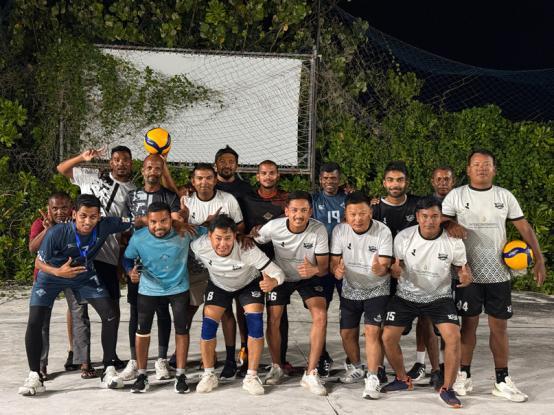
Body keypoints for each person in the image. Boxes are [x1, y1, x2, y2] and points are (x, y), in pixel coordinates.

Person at [442, 149, 546, 402]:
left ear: (494, 169)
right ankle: (464, 375)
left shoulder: (504, 196)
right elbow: (440, 220)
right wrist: (450, 223)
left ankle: (502, 380)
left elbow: (524, 227)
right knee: (468, 326)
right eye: (476, 164)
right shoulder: (457, 195)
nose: (482, 168)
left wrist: (539, 258)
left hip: (498, 273)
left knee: (499, 328)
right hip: (467, 273)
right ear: (468, 169)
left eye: (486, 164)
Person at [19, 194, 133, 396]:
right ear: (74, 215)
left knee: (110, 315)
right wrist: (58, 272)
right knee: (35, 321)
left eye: (93, 216)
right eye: (83, 216)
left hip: (83, 276)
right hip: (51, 276)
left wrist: (174, 219)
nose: (88, 221)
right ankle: (34, 376)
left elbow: (137, 220)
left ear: (99, 216)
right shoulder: (56, 232)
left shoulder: (105, 225)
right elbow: (38, 263)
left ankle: (108, 370)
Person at [381, 196, 472, 408]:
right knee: (387, 337)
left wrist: (465, 275)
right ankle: (402, 379)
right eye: (424, 216)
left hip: (439, 297)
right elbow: (396, 266)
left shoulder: (453, 241)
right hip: (406, 296)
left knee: (453, 337)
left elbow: (462, 267)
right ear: (417, 217)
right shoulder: (404, 237)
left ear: (441, 218)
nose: (429, 221)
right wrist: (394, 271)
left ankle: (447, 388)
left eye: (434, 216)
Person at [57, 145, 136, 368]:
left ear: (131, 163)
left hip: (107, 254)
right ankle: (76, 354)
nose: (121, 163)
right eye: (117, 159)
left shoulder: (133, 191)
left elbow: (126, 229)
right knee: (77, 307)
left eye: (125, 160)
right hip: (79, 253)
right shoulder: (92, 176)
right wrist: (82, 157)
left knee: (112, 306)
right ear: (110, 162)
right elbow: (62, 169)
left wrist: (121, 261)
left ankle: (110, 355)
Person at [193, 214, 285, 395]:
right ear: (209, 236)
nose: (223, 244)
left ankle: (251, 376)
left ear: (235, 236)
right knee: (208, 325)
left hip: (247, 284)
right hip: (219, 285)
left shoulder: (247, 249)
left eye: (228, 238)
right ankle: (209, 374)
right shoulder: (199, 246)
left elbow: (278, 273)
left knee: (256, 323)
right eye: (218, 238)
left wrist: (273, 282)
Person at [253, 191, 330, 396]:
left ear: (310, 212)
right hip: (280, 277)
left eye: (304, 210)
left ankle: (311, 373)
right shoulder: (273, 226)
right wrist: (265, 271)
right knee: (273, 318)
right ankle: (277, 366)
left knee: (321, 316)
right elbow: (252, 244)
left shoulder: (318, 229)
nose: (299, 215)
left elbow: (324, 267)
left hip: (308, 276)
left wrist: (314, 270)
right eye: (294, 210)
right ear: (286, 211)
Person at [118, 154, 184, 382]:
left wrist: (146, 221)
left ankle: (162, 359)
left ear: (162, 171)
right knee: (136, 313)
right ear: (143, 170)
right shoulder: (132, 196)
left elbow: (176, 223)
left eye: (158, 168)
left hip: (164, 263)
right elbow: (125, 225)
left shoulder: (169, 196)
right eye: (149, 167)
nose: (153, 172)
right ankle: (135, 361)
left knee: (163, 311)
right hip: (139, 262)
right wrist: (128, 268)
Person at [122, 202, 196, 393]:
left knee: (182, 329)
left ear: (171, 219)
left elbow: (211, 233)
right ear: (147, 221)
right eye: (153, 222)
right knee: (142, 330)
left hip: (178, 287)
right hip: (149, 289)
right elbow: (127, 257)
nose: (158, 226)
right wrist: (130, 271)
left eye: (163, 221)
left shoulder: (184, 232)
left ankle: (180, 375)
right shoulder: (139, 238)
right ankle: (142, 375)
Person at [181, 163, 245, 378]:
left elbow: (240, 228)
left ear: (215, 179)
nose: (204, 182)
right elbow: (181, 229)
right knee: (189, 308)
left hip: (222, 264)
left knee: (225, 311)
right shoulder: (186, 201)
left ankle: (230, 358)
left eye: (208, 178)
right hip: (196, 264)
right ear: (193, 181)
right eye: (199, 178)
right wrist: (200, 223)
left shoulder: (228, 200)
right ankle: (183, 354)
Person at [330, 191, 393, 399]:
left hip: (377, 288)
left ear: (370, 212)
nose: (357, 219)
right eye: (352, 214)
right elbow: (334, 262)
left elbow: (385, 265)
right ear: (346, 214)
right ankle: (357, 367)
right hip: (350, 288)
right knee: (346, 334)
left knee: (372, 332)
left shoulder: (383, 231)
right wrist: (336, 271)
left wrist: (380, 269)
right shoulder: (339, 231)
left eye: (362, 213)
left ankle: (373, 377)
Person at [28, 192, 92, 379]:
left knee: (80, 316)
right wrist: (48, 231)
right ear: (48, 209)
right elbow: (32, 248)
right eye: (55, 208)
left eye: (64, 207)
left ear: (71, 207)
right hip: (47, 276)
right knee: (41, 321)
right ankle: (41, 365)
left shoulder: (77, 223)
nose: (59, 212)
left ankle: (84, 361)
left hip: (72, 274)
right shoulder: (40, 223)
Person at [371, 161, 425, 383]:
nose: (395, 184)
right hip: (385, 272)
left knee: (424, 319)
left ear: (406, 182)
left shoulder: (417, 204)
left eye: (400, 180)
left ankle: (421, 364)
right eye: (391, 180)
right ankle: (380, 367)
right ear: (384, 182)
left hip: (414, 271)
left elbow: (437, 219)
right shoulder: (375, 208)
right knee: (382, 322)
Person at [214, 145, 256, 376]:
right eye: (223, 161)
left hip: (241, 251)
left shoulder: (245, 188)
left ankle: (244, 350)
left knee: (243, 307)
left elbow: (251, 216)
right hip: (217, 253)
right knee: (223, 308)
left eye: (231, 161)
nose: (227, 165)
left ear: (237, 165)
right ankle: (228, 357)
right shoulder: (210, 185)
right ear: (216, 165)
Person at [311, 162, 348, 376]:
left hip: (344, 262)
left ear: (339, 179)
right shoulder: (314, 200)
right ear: (320, 180)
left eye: (333, 178)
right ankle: (322, 356)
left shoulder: (347, 199)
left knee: (348, 310)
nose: (329, 182)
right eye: (325, 178)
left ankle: (352, 357)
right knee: (321, 312)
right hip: (322, 261)